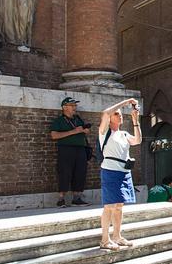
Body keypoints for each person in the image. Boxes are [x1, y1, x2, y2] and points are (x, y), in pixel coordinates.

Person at [97, 98, 142, 251]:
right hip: (110, 171)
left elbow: (137, 140)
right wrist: (126, 102)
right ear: (110, 119)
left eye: (121, 114)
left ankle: (117, 235)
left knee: (119, 206)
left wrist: (136, 121)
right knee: (109, 206)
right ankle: (105, 239)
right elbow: (105, 112)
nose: (120, 115)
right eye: (116, 114)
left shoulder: (123, 134)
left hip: (124, 172)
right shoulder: (104, 132)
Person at [48, 97, 91, 207]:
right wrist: (74, 131)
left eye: (75, 105)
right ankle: (61, 199)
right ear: (64, 107)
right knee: (65, 172)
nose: (74, 108)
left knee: (80, 172)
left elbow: (84, 131)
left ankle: (77, 198)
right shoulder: (59, 121)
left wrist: (85, 130)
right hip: (66, 149)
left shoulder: (78, 119)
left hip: (80, 149)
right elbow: (54, 135)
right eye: (72, 105)